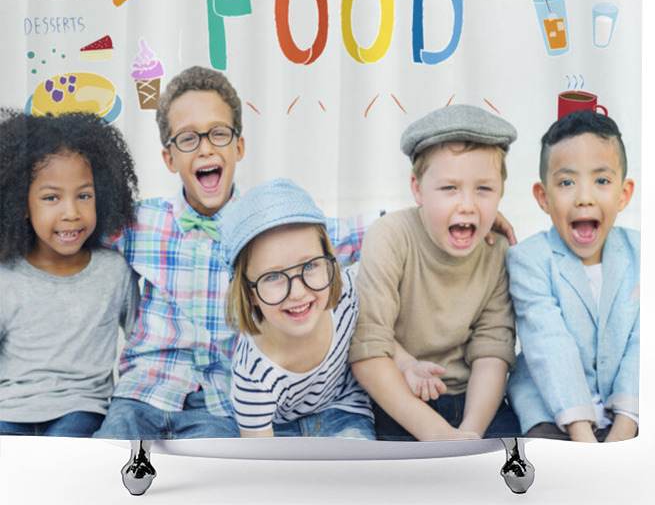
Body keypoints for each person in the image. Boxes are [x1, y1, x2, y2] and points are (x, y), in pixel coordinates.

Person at [94, 66, 377, 439]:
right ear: (169, 158)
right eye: (188, 139)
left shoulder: (263, 230)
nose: (206, 147)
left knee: (220, 485)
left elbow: (352, 233)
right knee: (106, 473)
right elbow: (71, 223)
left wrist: (438, 217)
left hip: (218, 405)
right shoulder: (142, 221)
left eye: (218, 133)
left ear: (238, 147)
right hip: (141, 394)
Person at [349, 104, 520, 441]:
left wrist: (469, 431)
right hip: (398, 398)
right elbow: (368, 350)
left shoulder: (497, 250)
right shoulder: (391, 237)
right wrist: (440, 436)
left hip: (476, 401)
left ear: (501, 190)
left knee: (512, 466)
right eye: (449, 189)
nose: (467, 204)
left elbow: (493, 351)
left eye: (483, 189)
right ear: (417, 189)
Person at [0, 110, 139, 437]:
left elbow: (141, 340)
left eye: (84, 195)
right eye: (52, 198)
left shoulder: (114, 271)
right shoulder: (7, 277)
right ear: (22, 203)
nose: (72, 213)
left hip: (82, 409)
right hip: (9, 408)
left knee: (62, 461)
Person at [506, 110, 639, 442]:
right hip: (552, 410)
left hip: (624, 410)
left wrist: (623, 431)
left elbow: (641, 346)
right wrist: (585, 441)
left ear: (624, 194)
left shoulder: (642, 253)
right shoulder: (529, 260)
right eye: (566, 182)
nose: (584, 197)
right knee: (554, 468)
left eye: (602, 181)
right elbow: (550, 346)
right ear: (543, 197)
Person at [221, 178, 374, 439]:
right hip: (281, 430)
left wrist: (406, 363)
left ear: (329, 261)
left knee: (358, 475)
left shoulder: (348, 297)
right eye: (273, 277)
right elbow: (263, 461)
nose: (298, 292)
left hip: (344, 409)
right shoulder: (252, 375)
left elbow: (379, 337)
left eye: (310, 265)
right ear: (250, 294)